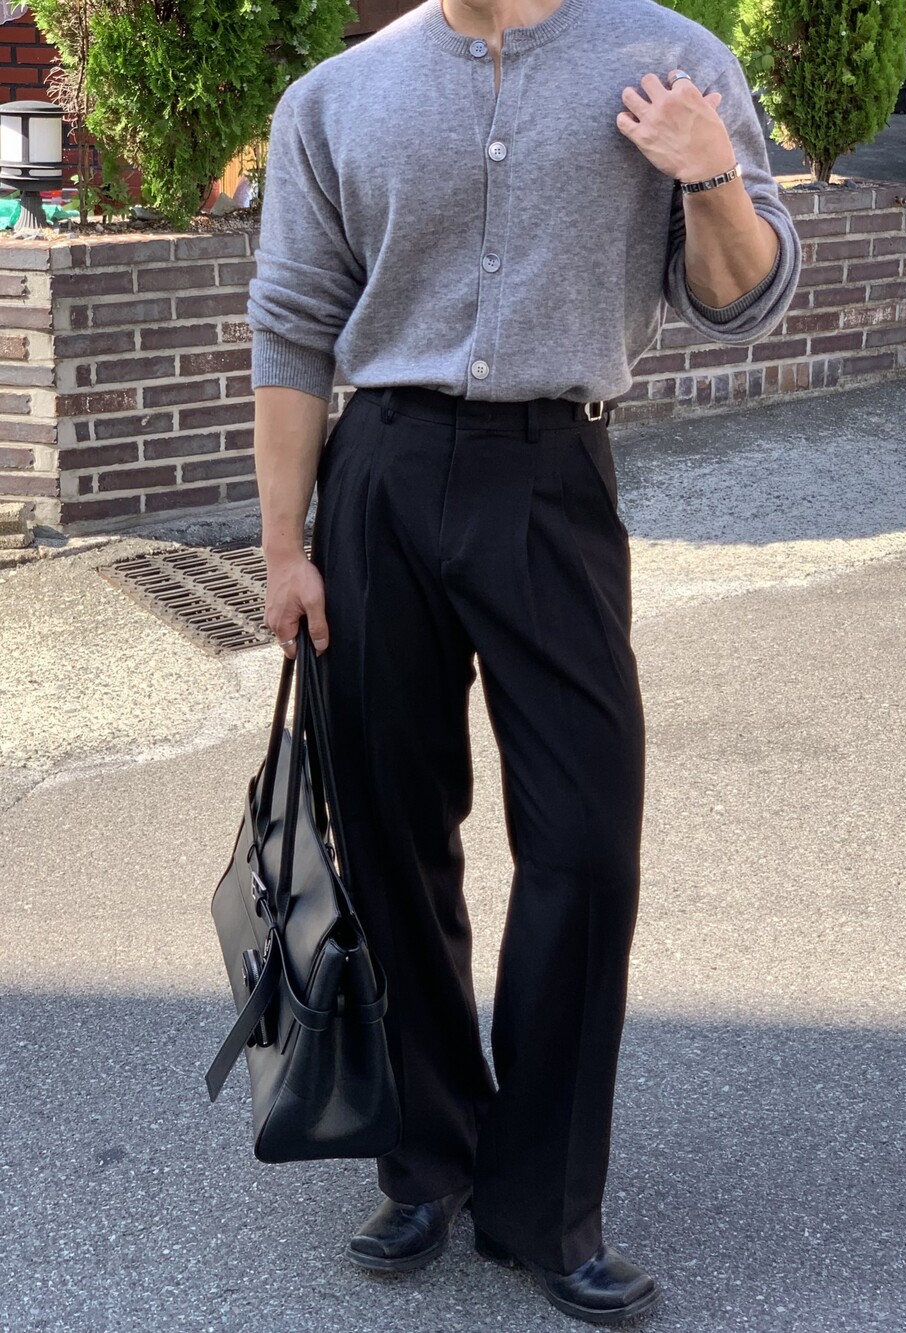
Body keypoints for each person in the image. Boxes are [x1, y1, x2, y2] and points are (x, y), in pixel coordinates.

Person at [247, 0, 801, 1322]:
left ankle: (542, 1204)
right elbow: (293, 323)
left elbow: (747, 299)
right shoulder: (337, 98)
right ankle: (425, 1157)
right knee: (389, 833)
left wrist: (709, 173)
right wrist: (283, 547)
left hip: (554, 473)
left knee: (587, 843)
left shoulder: (670, 61)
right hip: (379, 477)